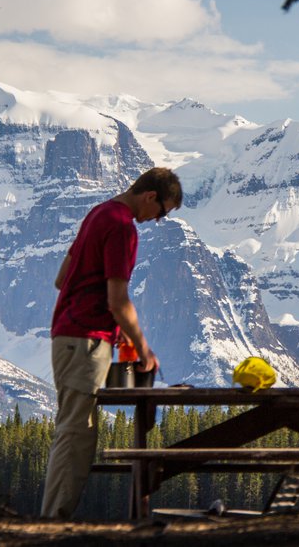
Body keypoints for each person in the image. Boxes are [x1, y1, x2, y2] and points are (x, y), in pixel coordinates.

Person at [40, 167, 183, 519]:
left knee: (73, 426)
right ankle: (52, 521)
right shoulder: (122, 226)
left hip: (69, 334)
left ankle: (53, 516)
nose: (157, 219)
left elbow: (63, 279)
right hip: (86, 339)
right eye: (162, 212)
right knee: (77, 431)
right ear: (150, 196)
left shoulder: (99, 213)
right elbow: (118, 301)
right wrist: (144, 349)